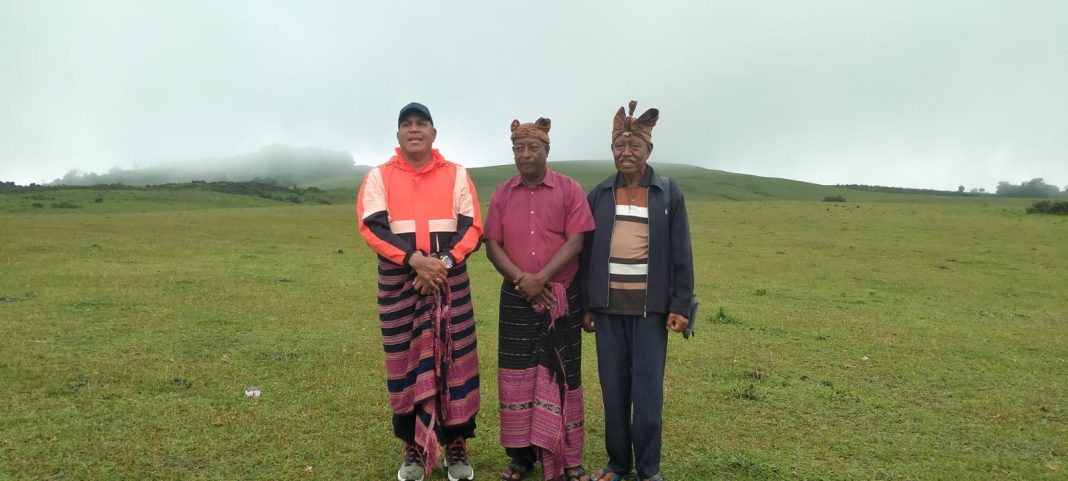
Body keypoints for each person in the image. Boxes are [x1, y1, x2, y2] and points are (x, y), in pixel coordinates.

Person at [356, 102, 483, 481]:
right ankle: (413, 448)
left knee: (455, 364)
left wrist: (440, 265)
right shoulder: (379, 177)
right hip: (400, 286)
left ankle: (456, 444)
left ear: (433, 133)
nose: (414, 130)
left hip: (449, 283)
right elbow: (373, 228)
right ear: (398, 135)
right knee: (405, 367)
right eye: (406, 125)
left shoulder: (457, 174)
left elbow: (472, 227)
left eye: (421, 124)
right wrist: (415, 261)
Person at [579, 101, 695, 481]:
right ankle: (617, 463)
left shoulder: (667, 193)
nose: (625, 153)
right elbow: (587, 254)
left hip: (652, 312)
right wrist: (588, 304)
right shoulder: (599, 194)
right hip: (609, 309)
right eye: (618, 147)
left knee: (647, 396)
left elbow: (682, 253)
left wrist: (680, 305)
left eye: (634, 147)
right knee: (614, 393)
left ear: (649, 151)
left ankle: (648, 470)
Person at [484, 118, 595, 481]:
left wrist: (542, 279)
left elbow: (576, 241)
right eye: (519, 148)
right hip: (516, 297)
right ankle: (521, 456)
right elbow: (493, 245)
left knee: (562, 374)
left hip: (561, 296)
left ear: (547, 150)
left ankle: (570, 458)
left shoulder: (569, 189)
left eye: (533, 147)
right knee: (517, 376)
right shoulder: (502, 193)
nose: (526, 154)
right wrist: (522, 280)